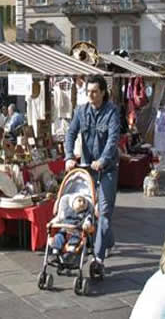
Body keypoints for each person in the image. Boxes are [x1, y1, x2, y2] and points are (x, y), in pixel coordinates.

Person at [64, 74, 120, 275]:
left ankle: (98, 259)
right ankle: (108, 240)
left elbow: (112, 140)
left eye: (95, 92)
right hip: (87, 169)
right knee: (90, 213)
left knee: (103, 212)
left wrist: (103, 160)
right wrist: (70, 156)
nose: (91, 95)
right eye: (88, 92)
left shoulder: (112, 112)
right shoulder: (81, 110)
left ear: (103, 93)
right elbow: (70, 133)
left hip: (107, 169)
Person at [50, 194, 94, 260]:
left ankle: (71, 250)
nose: (82, 203)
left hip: (76, 231)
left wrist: (86, 225)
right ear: (73, 202)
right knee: (58, 236)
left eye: (84, 202)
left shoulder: (85, 214)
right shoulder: (66, 211)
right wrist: (51, 223)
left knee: (75, 238)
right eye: (79, 201)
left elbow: (88, 221)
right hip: (64, 230)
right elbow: (58, 218)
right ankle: (55, 251)